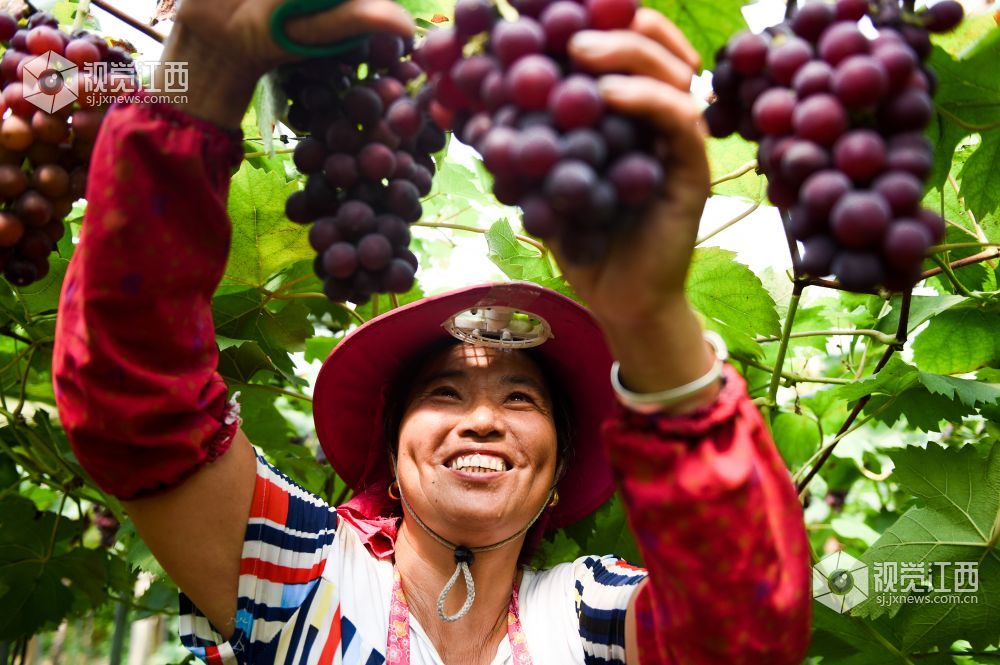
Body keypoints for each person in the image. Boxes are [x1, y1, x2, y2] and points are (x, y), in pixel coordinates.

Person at [51, 0, 812, 663]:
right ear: (390, 449)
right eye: (446, 391)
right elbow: (136, 403)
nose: (482, 418)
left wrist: (652, 321)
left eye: (520, 399)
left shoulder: (587, 618)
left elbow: (742, 634)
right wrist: (205, 69)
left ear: (558, 473)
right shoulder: (307, 577)